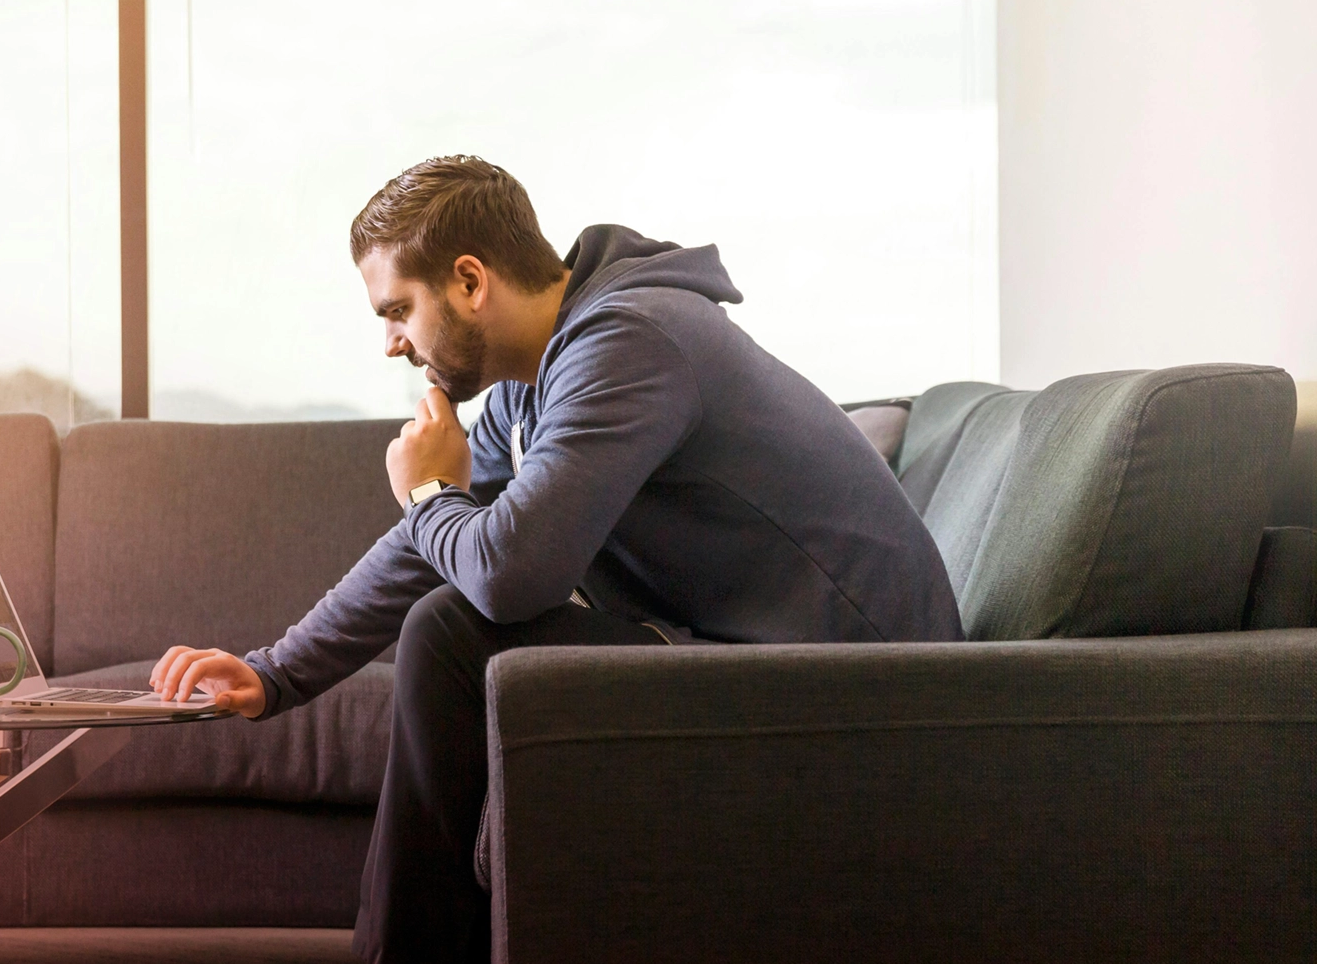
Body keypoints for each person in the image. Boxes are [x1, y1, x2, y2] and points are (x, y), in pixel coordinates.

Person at [147, 155, 963, 963]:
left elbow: (509, 575)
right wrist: (275, 672)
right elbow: (427, 552)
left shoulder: (629, 343)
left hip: (863, 687)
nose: (392, 344)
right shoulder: (531, 384)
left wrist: (431, 491)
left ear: (470, 281)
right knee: (447, 619)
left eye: (398, 309)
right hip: (751, 658)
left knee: (455, 635)